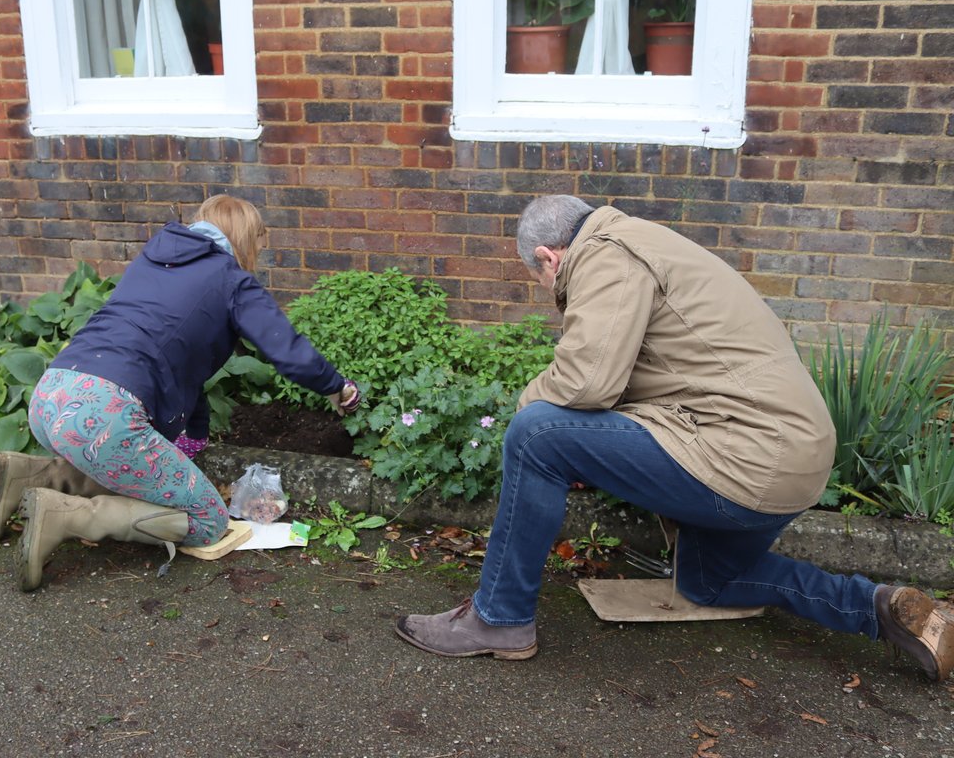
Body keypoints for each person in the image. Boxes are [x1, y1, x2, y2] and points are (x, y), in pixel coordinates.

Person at [394, 195, 953, 682]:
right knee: (709, 581)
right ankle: (880, 607)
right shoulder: (647, 242)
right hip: (793, 465)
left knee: (538, 432)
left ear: (549, 257)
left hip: (746, 458)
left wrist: (527, 404)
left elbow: (586, 382)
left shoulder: (608, 256)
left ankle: (499, 618)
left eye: (543, 281)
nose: (549, 291)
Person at [0, 194, 361, 591]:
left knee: (126, 468)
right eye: (260, 244)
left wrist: (194, 439)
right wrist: (337, 387)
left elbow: (182, 367)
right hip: (107, 411)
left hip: (52, 395)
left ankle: (26, 475)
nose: (260, 253)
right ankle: (66, 516)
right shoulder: (232, 280)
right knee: (208, 520)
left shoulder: (153, 261)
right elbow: (284, 346)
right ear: (247, 237)